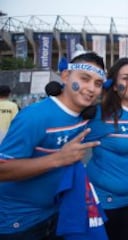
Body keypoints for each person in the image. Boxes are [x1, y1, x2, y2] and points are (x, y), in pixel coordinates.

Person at [0, 51, 105, 239]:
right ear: (65, 76)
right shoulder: (35, 116)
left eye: (98, 84)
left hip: (57, 215)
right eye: (84, 79)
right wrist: (58, 159)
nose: (91, 88)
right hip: (18, 222)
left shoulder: (85, 117)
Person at [84, 57, 128, 240]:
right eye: (125, 78)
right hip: (103, 204)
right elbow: (66, 138)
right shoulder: (100, 114)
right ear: (114, 85)